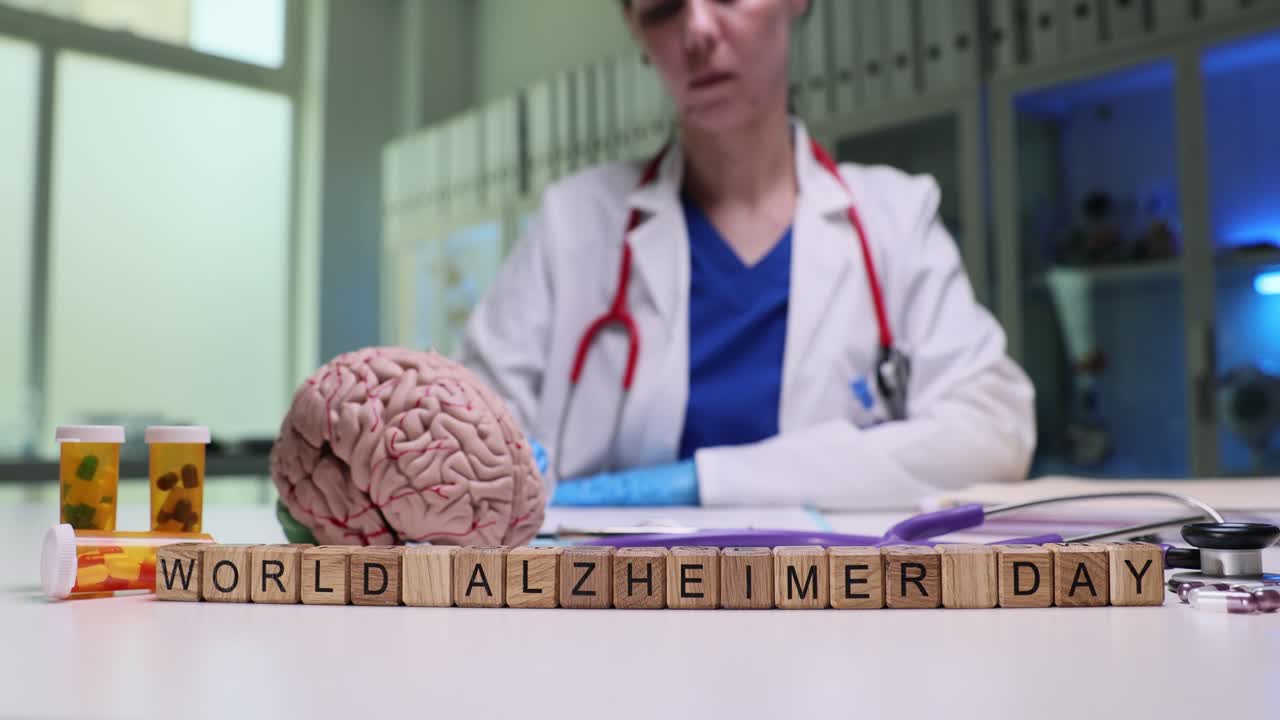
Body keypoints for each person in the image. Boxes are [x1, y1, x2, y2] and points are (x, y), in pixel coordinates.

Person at [458, 0, 1035, 509]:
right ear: (635, 30)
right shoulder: (575, 224)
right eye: (663, 9)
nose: (698, 30)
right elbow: (467, 431)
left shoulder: (895, 220)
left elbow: (994, 429)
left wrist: (712, 481)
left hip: (834, 608)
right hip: (615, 607)